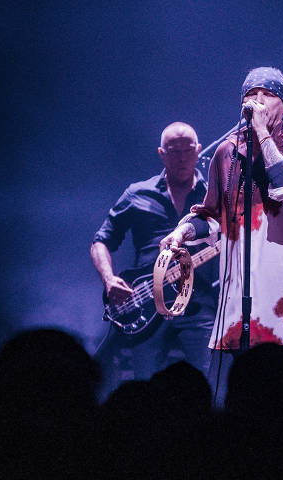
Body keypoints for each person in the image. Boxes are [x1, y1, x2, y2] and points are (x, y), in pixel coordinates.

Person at [160, 67, 283, 402]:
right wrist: (183, 230)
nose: (256, 101)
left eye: (267, 94)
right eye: (250, 95)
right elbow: (212, 215)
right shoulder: (226, 153)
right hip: (238, 313)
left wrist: (262, 136)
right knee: (231, 412)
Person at [90, 122, 217, 395]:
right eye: (174, 151)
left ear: (199, 151)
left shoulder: (212, 198)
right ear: (161, 153)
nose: (182, 157)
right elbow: (101, 241)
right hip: (145, 302)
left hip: (199, 306)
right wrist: (110, 280)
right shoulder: (137, 194)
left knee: (208, 386)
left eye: (188, 150)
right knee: (145, 390)